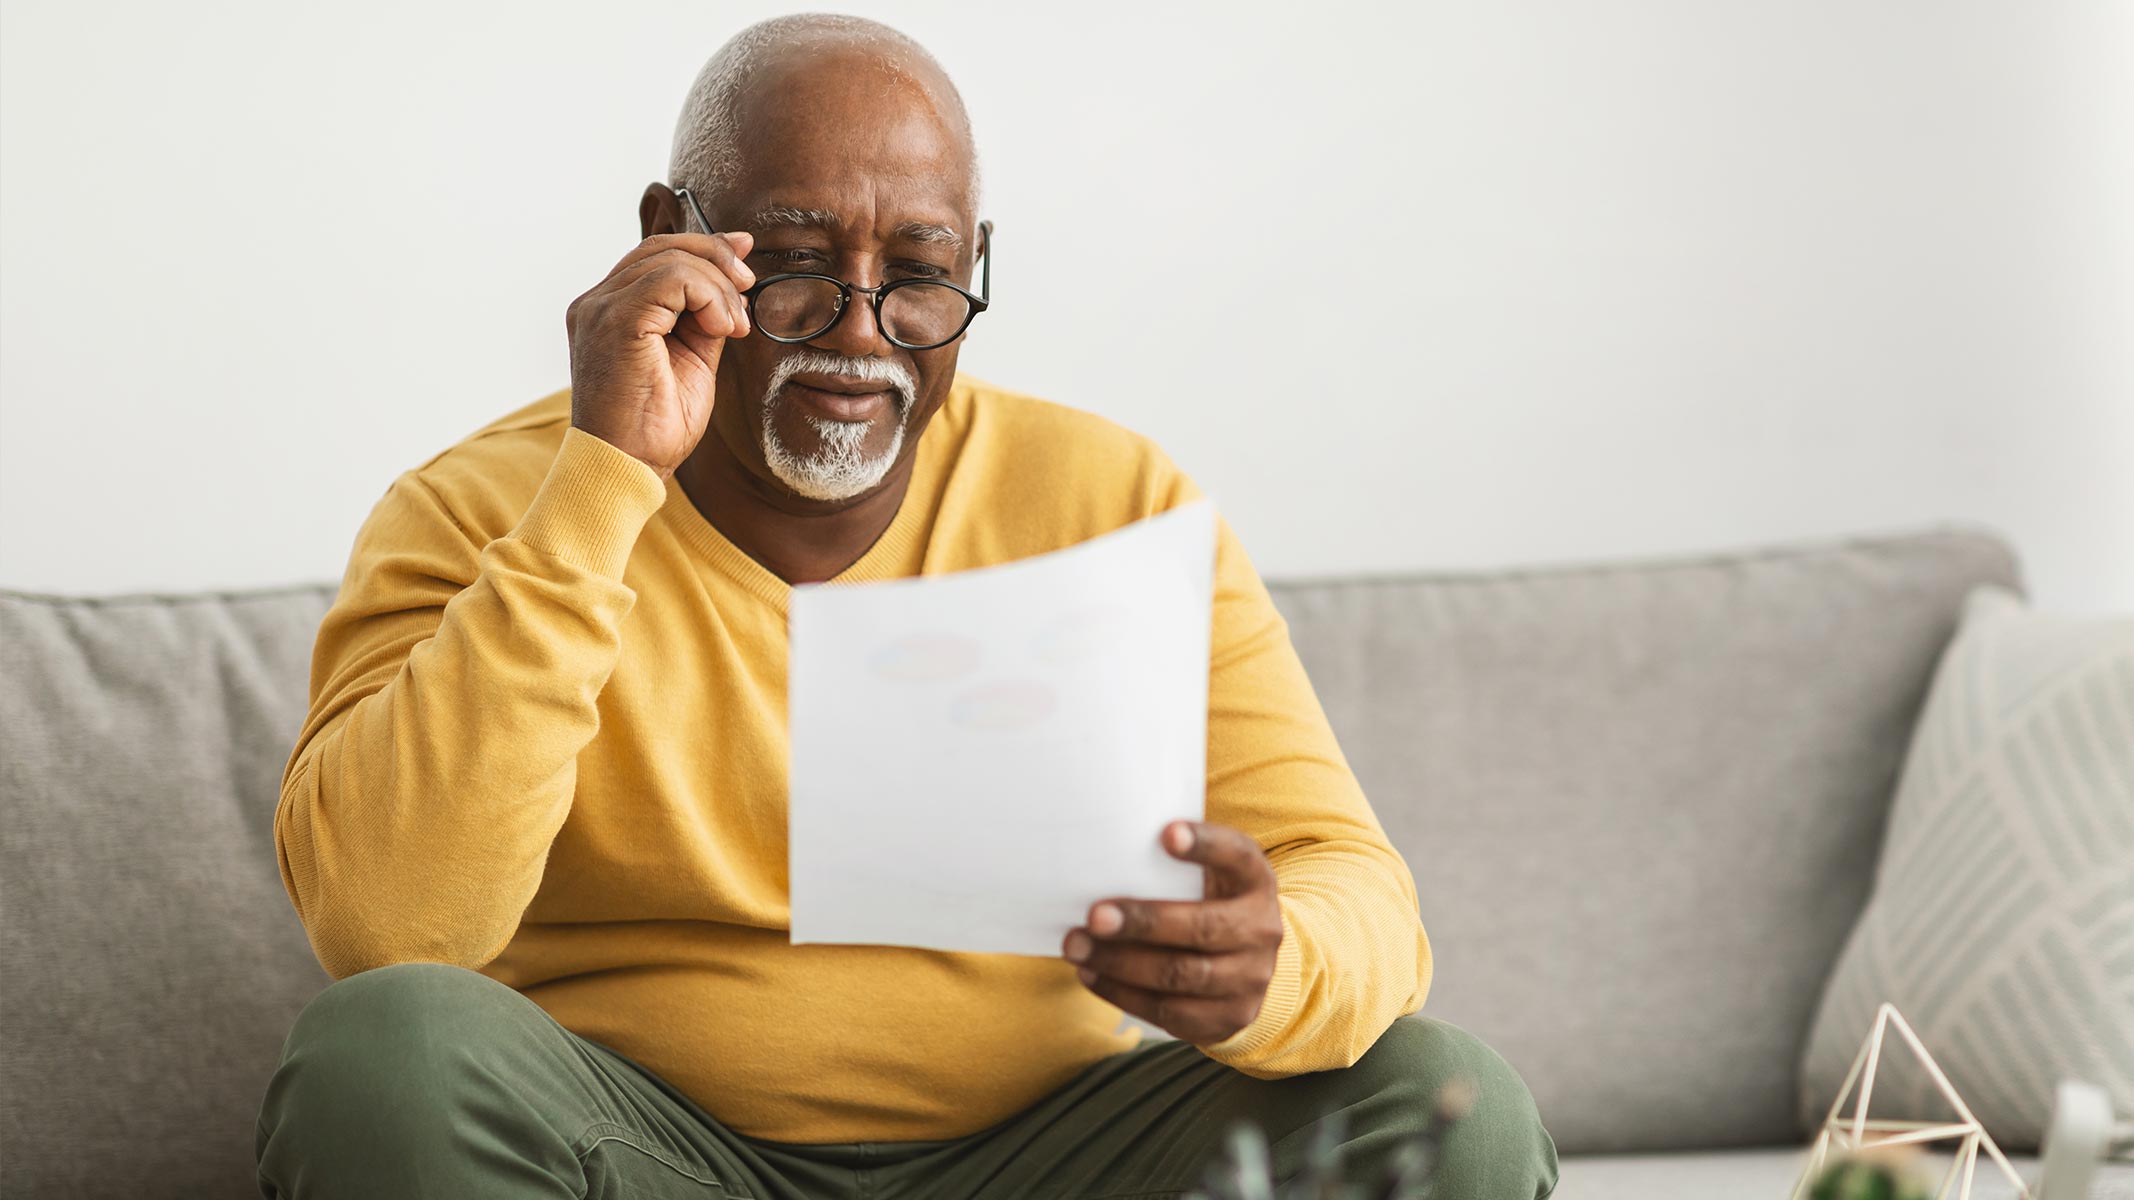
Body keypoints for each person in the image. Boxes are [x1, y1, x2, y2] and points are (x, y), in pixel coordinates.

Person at [253, 13, 1558, 1199]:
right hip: (646, 1159)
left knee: (1451, 1111)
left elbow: (1356, 886)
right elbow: (388, 930)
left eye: (921, 274)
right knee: (387, 1054)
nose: (863, 332)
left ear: (974, 265)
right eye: (801, 261)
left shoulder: (1112, 496)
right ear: (675, 234)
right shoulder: (482, 508)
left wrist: (1276, 970)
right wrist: (604, 481)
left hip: (1051, 1157)